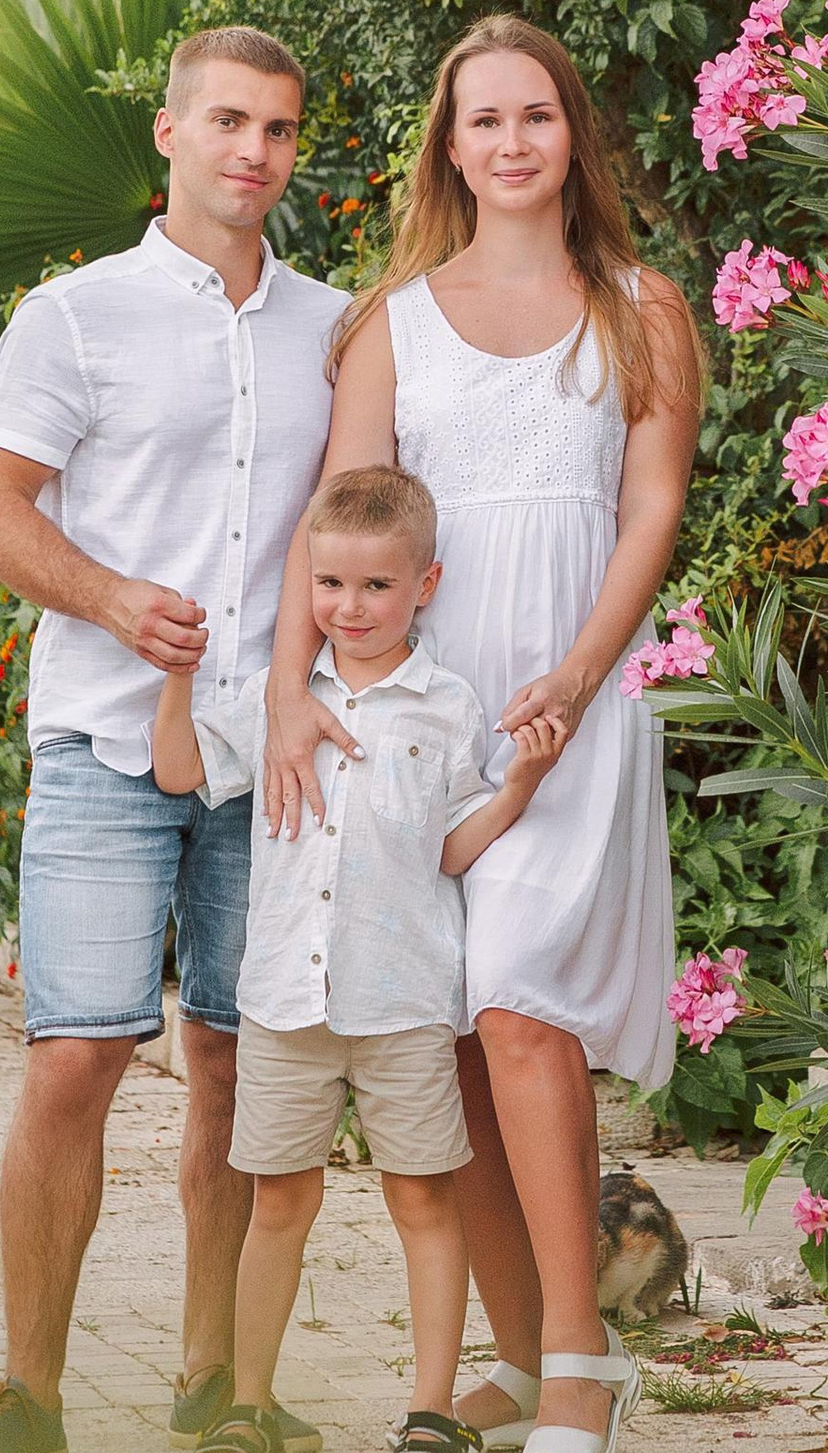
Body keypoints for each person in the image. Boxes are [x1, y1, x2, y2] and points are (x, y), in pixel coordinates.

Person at [263, 17, 703, 1453]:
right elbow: (337, 524)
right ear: (448, 147)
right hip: (427, 719)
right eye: (483, 120)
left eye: (536, 115)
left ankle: (582, 1359)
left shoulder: (642, 307)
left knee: (519, 1005)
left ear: (572, 132)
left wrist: (575, 681)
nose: (512, 142)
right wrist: (297, 693)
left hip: (567, 706)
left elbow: (650, 514)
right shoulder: (391, 320)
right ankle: (516, 1356)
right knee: (450, 1032)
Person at [0, 26, 345, 1453]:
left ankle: (217, 1388)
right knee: (75, 1057)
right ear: (168, 134)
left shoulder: (337, 329)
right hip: (108, 741)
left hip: (271, 757)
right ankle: (29, 1395)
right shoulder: (75, 319)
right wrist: (110, 599)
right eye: (229, 120)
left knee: (239, 1066)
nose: (255, 150)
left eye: (280, 129)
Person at [152, 463, 568, 1453]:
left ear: (423, 584)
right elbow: (177, 768)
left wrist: (524, 781)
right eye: (329, 584)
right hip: (284, 1004)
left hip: (403, 999)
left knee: (423, 1196)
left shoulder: (449, 706)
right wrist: (177, 675)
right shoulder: (272, 696)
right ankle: (249, 1405)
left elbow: (454, 844)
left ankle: (431, 1412)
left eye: (377, 585)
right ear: (307, 583)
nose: (349, 606)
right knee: (279, 1200)